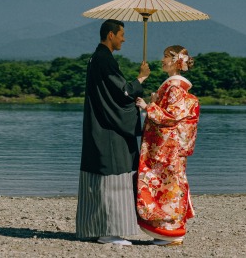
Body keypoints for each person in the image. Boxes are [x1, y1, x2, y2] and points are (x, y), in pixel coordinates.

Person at [76, 19, 150, 245]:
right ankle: (109, 232)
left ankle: (97, 228)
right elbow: (123, 93)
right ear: (111, 35)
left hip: (98, 125)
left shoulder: (96, 58)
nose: (124, 39)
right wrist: (141, 78)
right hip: (108, 130)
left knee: (100, 178)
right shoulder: (104, 59)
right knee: (113, 175)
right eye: (121, 35)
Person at [134, 45, 200, 246]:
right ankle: (168, 232)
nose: (162, 60)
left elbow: (172, 117)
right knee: (171, 185)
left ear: (175, 61)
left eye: (165, 57)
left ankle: (170, 232)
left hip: (167, 149)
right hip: (172, 147)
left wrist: (147, 107)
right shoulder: (175, 86)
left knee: (167, 186)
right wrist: (155, 102)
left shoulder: (174, 86)